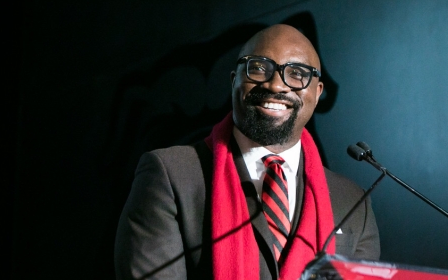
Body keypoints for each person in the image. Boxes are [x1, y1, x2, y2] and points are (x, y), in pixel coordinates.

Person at [114, 24, 380, 280]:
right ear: (234, 82)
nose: (276, 86)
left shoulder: (353, 201)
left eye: (298, 73)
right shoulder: (170, 176)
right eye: (258, 68)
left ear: (317, 92)